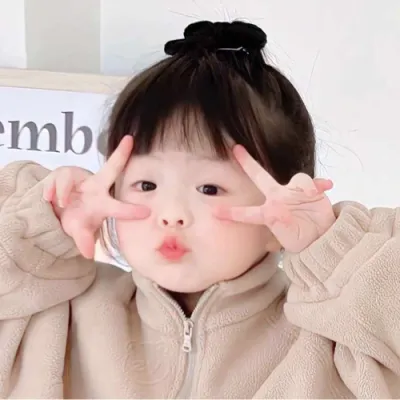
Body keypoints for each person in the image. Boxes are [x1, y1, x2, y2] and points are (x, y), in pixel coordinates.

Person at [0, 20, 399, 399]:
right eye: (146, 185)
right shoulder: (62, 313)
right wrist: (39, 234)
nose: (171, 213)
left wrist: (334, 256)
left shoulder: (333, 341)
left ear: (279, 209)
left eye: (209, 188)